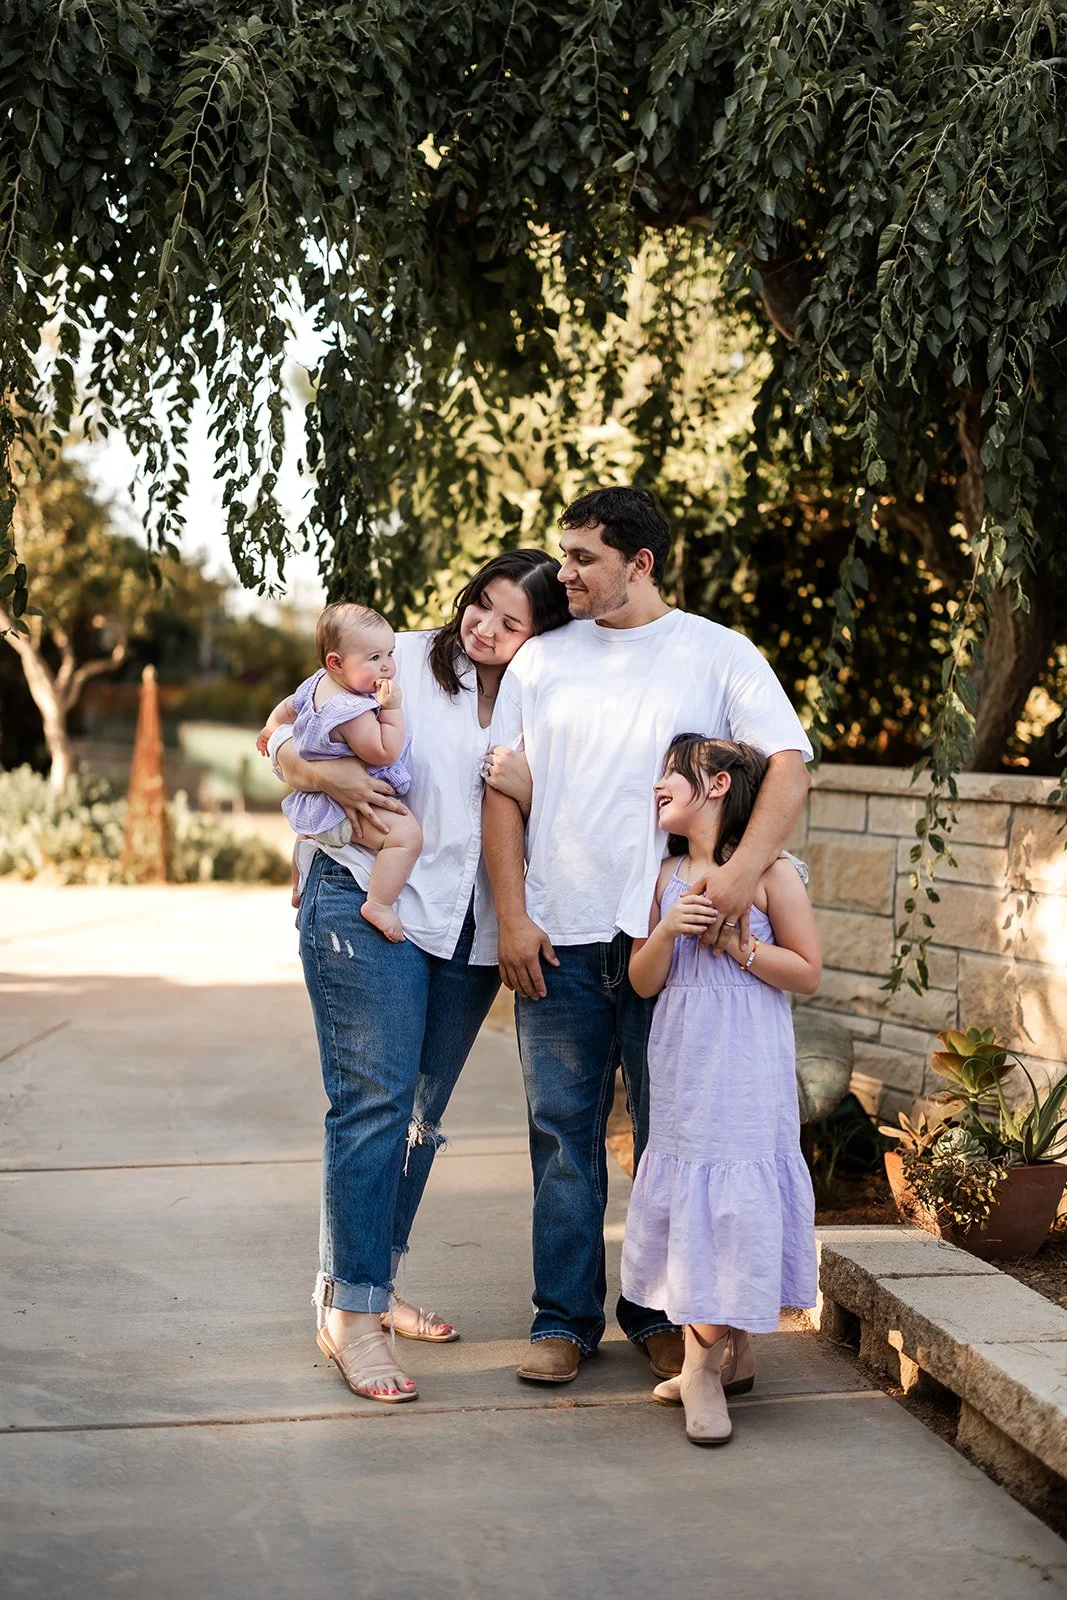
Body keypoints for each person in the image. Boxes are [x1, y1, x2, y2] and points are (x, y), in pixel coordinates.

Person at [479, 486, 813, 1386]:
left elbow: (788, 765)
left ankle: (671, 1320)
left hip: (674, 941)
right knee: (562, 1134)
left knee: (677, 1139)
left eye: (583, 556)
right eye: (563, 554)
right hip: (561, 933)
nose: (563, 572)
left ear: (641, 563)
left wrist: (736, 881)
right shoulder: (540, 663)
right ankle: (564, 1320)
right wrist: (512, 915)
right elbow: (502, 797)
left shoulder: (715, 652)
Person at [268, 551, 570, 1403]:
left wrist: (530, 782)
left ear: (539, 635)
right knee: (371, 1106)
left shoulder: (543, 695)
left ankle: (373, 1280)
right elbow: (282, 728)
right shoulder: (394, 663)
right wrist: (318, 774)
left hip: (468, 931)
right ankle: (348, 1316)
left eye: (510, 622)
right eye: (481, 604)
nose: (483, 627)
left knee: (417, 1121)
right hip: (368, 901)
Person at [622, 734, 821, 1445]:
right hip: (682, 1057)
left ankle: (701, 1371)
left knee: (734, 1192)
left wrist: (742, 948)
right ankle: (729, 1352)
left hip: (745, 1062)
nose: (655, 787)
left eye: (669, 774)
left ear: (714, 785)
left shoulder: (770, 873)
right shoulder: (666, 876)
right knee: (698, 1191)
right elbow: (644, 983)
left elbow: (807, 972)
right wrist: (668, 930)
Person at [257, 602, 422, 940]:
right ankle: (379, 903)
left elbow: (288, 707)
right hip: (346, 808)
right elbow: (383, 751)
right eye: (374, 658)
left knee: (308, 834)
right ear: (336, 662)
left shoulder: (317, 683)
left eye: (389, 654)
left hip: (318, 804)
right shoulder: (352, 712)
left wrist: (271, 728)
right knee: (406, 837)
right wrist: (392, 709)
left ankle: (298, 881)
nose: (388, 666)